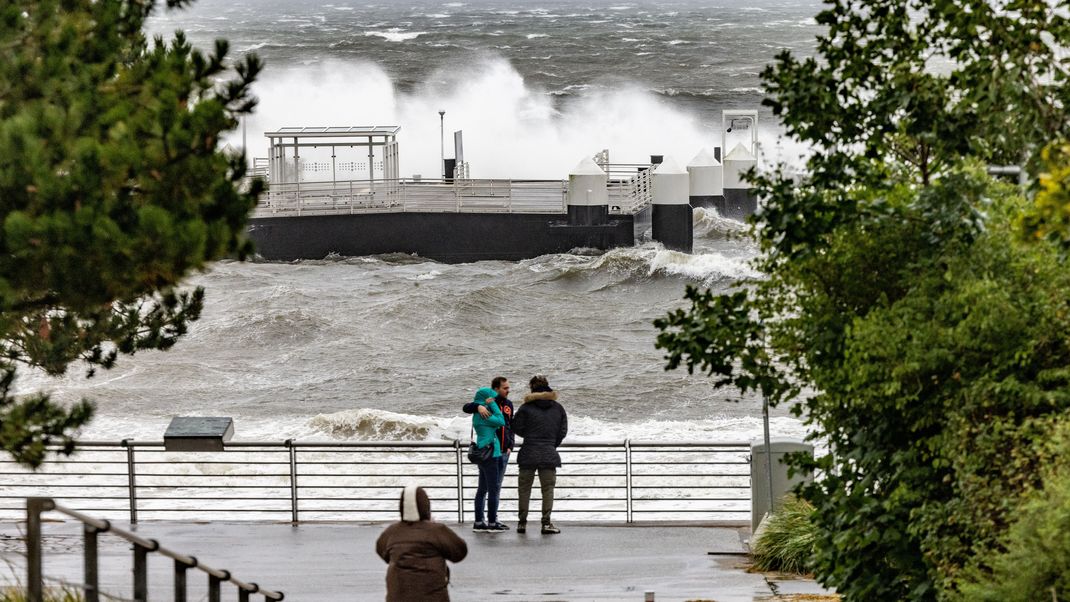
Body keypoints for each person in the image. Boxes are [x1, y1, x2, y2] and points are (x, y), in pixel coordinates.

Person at [375, 485, 468, 602]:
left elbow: (381, 550)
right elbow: (460, 552)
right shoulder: (436, 531)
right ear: (425, 506)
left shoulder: (392, 532)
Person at [511, 374, 568, 534]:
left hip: (528, 452)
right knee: (547, 490)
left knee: (524, 489)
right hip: (549, 454)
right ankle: (546, 523)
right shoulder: (558, 408)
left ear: (531, 388)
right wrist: (551, 444)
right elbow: (562, 430)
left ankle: (522, 523)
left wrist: (529, 436)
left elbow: (516, 427)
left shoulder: (525, 408)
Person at [462, 376, 514, 503]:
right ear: (496, 389)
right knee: (484, 489)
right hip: (489, 451)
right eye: (505, 388)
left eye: (508, 388)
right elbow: (466, 407)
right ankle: (485, 521)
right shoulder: (486, 403)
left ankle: (494, 519)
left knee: (496, 487)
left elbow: (510, 425)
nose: (508, 390)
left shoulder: (508, 404)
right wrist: (478, 407)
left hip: (504, 452)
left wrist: (510, 445)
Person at [470, 386, 507, 532]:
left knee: (482, 489)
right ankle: (492, 522)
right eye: (491, 397)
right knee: (493, 489)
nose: (494, 400)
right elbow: (501, 420)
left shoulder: (478, 414)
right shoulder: (484, 415)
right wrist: (492, 404)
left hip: (485, 453)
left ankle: (479, 522)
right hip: (491, 454)